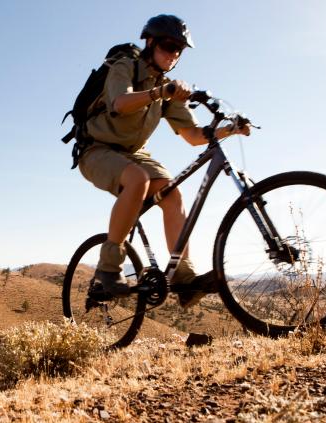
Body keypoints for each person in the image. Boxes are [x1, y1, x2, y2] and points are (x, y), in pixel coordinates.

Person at [77, 14, 251, 307]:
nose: (173, 55)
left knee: (172, 193)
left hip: (133, 154)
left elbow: (195, 135)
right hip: (96, 149)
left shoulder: (167, 88)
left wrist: (231, 130)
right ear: (150, 42)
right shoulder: (125, 66)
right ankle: (109, 266)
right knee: (138, 180)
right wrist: (160, 91)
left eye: (179, 50)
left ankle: (183, 278)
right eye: (169, 46)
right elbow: (120, 103)